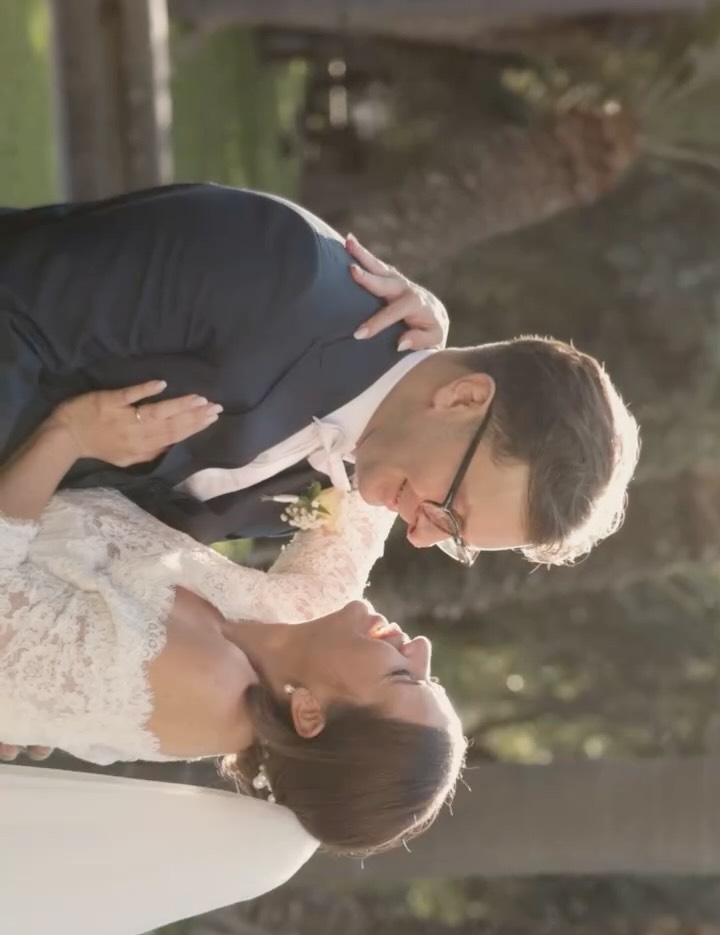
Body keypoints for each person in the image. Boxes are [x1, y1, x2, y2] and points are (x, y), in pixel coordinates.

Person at [0, 183, 639, 564]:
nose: (418, 536)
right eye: (449, 511)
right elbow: (19, 300)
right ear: (464, 397)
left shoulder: (331, 482)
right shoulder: (278, 267)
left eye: (453, 540)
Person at [0, 384, 466, 859]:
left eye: (403, 676)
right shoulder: (297, 626)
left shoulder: (200, 688)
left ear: (309, 713)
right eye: (432, 676)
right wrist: (430, 330)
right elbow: (389, 471)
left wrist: (68, 436)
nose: (422, 647)